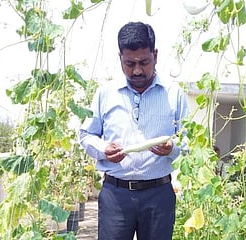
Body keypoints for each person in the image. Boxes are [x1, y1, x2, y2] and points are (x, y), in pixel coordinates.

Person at [79, 21, 190, 240]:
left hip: (159, 195)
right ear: (120, 57)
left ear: (155, 55)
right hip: (115, 195)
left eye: (144, 62)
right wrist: (103, 149)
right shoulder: (105, 93)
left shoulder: (174, 95)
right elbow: (85, 134)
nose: (137, 70)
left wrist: (173, 148)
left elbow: (190, 141)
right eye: (130, 63)